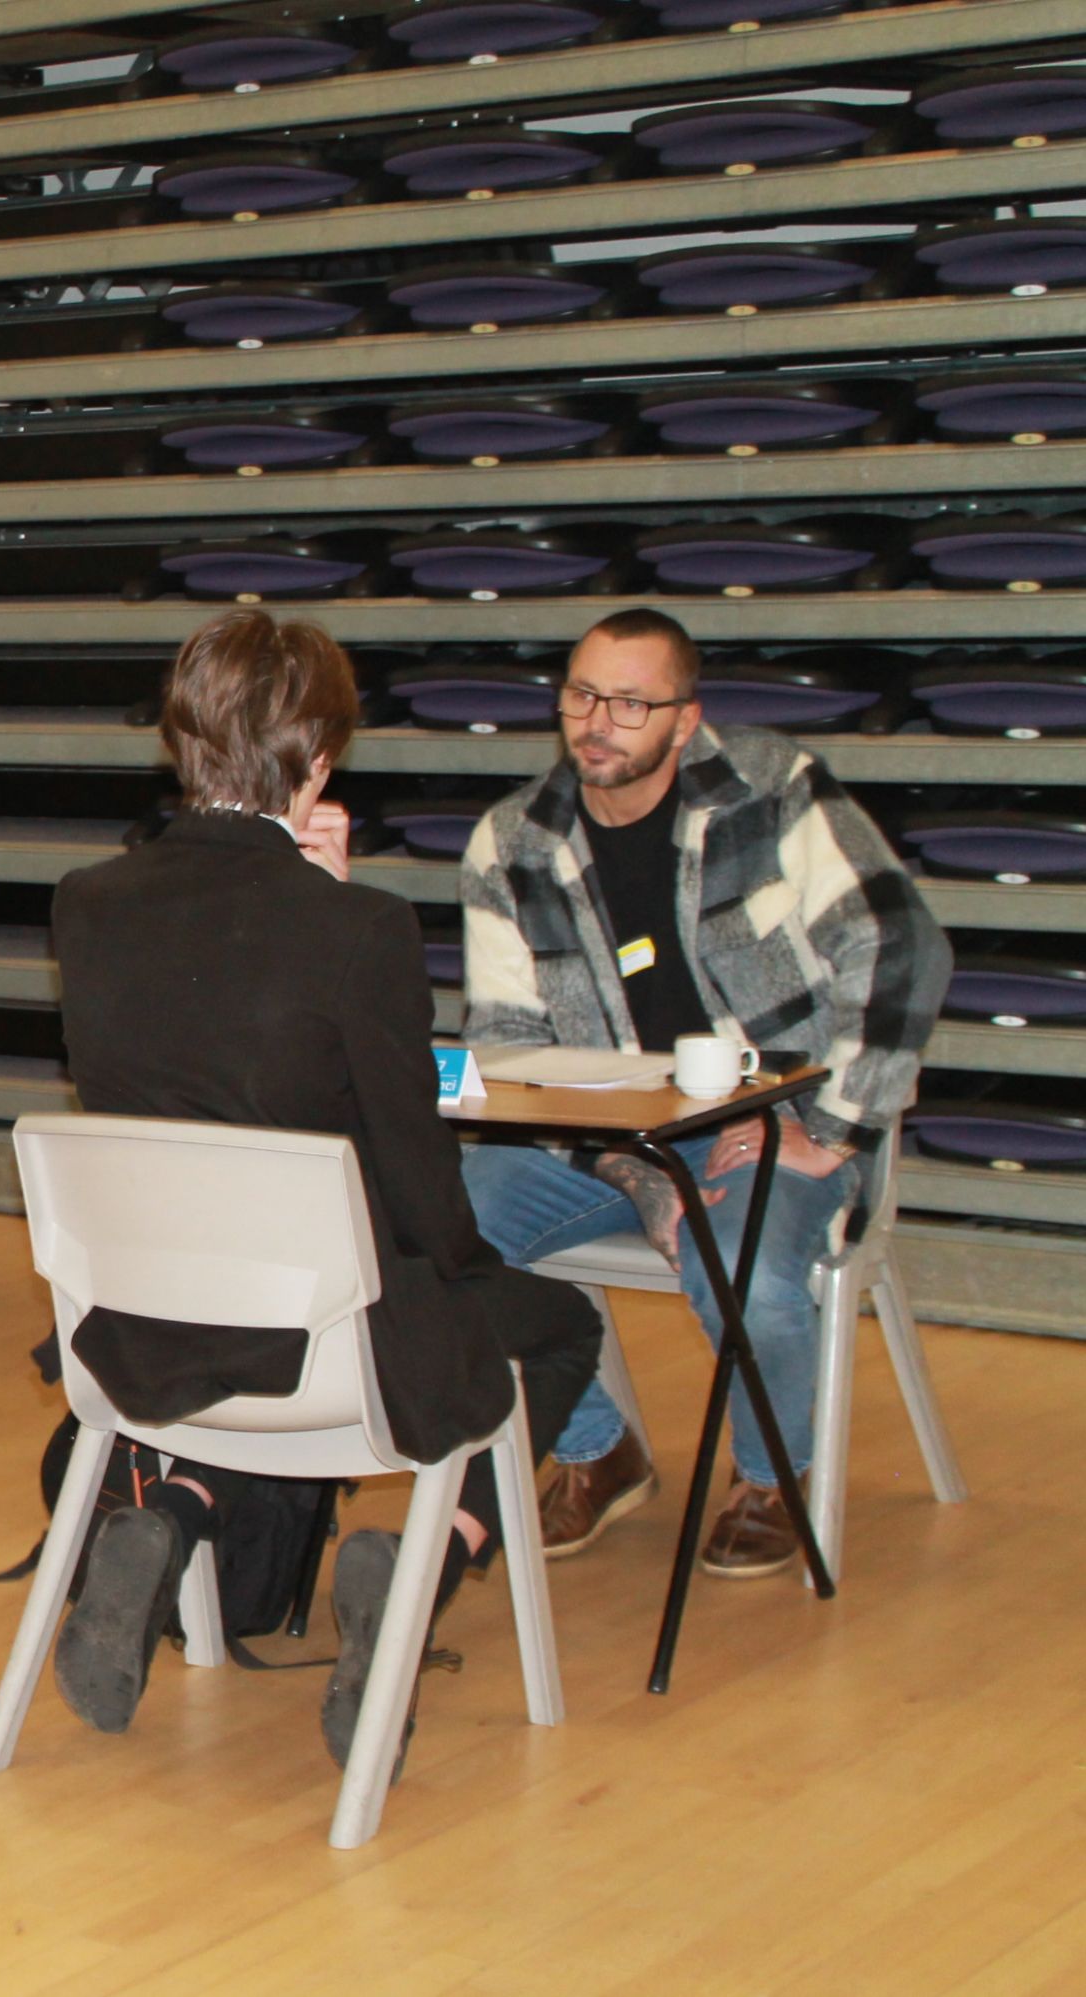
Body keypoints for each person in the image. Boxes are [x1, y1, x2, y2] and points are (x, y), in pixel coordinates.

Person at [48, 610, 600, 1762]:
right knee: (555, 1325)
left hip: (148, 1335)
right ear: (316, 757)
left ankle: (170, 1507)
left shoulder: (86, 903)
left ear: (181, 742)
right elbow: (411, 1183)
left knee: (249, 1290)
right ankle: (423, 1562)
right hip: (319, 1354)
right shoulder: (360, 929)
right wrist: (462, 1269)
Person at [459, 609, 950, 1577]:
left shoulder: (773, 793)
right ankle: (596, 1449)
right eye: (581, 695)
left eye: (631, 703)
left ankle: (771, 1473)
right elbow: (507, 1046)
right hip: (601, 1136)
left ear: (683, 720)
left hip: (777, 1123)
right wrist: (636, 1171)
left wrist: (827, 1128)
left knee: (741, 1267)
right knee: (431, 1229)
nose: (597, 722)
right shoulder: (512, 842)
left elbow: (900, 948)